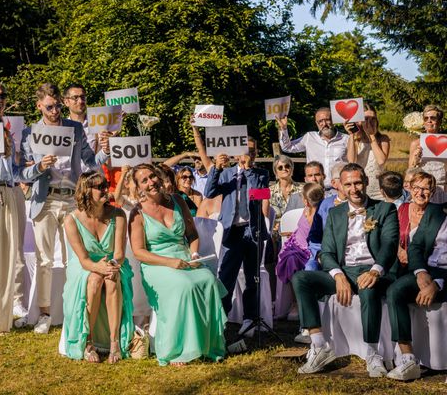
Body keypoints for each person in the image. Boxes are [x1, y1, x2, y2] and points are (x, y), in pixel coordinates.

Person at [291, 163, 399, 376]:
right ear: (340, 186)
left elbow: (389, 245)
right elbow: (328, 251)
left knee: (369, 289)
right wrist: (338, 275)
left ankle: (373, 353)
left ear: (366, 182)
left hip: (374, 269)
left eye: (358, 182)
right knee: (301, 278)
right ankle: (319, 345)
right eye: (348, 184)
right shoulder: (335, 213)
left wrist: (375, 271)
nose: (354, 189)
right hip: (345, 270)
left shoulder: (385, 209)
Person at [21, 82, 110, 334]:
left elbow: (90, 163)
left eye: (57, 106)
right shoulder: (30, 133)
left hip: (72, 198)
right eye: (49, 107)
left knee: (77, 256)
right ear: (39, 106)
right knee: (45, 259)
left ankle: (77, 307)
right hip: (45, 199)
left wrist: (103, 151)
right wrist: (39, 167)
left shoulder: (73, 128)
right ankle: (45, 313)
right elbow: (23, 172)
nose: (55, 111)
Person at [129, 164, 226, 366]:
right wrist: (170, 262)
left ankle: (208, 344)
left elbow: (191, 234)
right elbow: (139, 252)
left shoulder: (178, 201)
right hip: (156, 264)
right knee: (184, 286)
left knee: (208, 280)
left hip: (185, 258)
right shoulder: (137, 213)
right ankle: (178, 348)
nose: (151, 182)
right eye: (144, 180)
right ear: (138, 187)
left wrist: (194, 253)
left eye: (152, 177)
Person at [62, 171, 134, 363]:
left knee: (111, 279)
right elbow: (83, 260)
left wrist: (111, 265)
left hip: (113, 262)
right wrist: (97, 267)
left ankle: (114, 342)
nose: (105, 189)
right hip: (84, 265)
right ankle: (88, 341)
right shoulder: (71, 220)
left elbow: (119, 253)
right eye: (100, 186)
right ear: (86, 191)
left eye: (106, 185)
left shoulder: (118, 214)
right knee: (94, 279)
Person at [203, 136, 270, 337]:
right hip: (232, 232)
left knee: (253, 277)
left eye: (253, 151)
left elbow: (260, 197)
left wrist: (249, 172)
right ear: (238, 153)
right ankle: (220, 318)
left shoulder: (261, 174)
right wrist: (216, 168)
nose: (250, 154)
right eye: (247, 150)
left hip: (252, 230)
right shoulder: (227, 174)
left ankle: (250, 319)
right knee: (226, 276)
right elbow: (209, 192)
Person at [0, 81, 30, 328]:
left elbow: (20, 159)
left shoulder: (16, 126)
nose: (0, 101)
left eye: (3, 97)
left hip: (13, 189)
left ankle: (17, 299)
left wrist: (25, 173)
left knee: (17, 248)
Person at [385, 199, 447, 381]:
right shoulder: (436, 211)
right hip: (427, 270)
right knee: (396, 291)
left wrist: (438, 284)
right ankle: (408, 359)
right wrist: (420, 273)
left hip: (444, 277)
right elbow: (416, 245)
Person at [276, 182, 325, 319]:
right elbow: (301, 230)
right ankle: (295, 301)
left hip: (311, 250)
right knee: (289, 259)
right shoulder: (305, 210)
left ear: (305, 200)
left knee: (301, 263)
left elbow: (315, 237)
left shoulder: (319, 215)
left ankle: (305, 303)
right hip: (297, 245)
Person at [277, 107, 348, 189]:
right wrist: (283, 129)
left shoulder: (346, 139)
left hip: (339, 188)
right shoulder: (309, 137)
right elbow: (287, 147)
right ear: (316, 123)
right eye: (320, 121)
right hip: (315, 187)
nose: (324, 124)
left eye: (327, 120)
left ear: (334, 120)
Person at [345, 103, 390, 200]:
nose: (370, 121)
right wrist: (352, 134)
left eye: (373, 118)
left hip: (379, 189)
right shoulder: (354, 140)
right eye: (366, 118)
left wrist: (371, 135)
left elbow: (381, 161)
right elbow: (351, 161)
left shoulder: (383, 139)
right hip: (359, 188)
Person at [395, 172, 435, 276]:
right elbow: (393, 235)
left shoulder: (436, 213)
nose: (420, 193)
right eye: (416, 187)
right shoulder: (402, 208)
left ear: (432, 192)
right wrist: (400, 251)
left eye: (426, 189)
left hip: (426, 267)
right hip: (401, 264)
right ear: (411, 189)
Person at [408, 104, 447, 199]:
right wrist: (416, 160)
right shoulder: (416, 143)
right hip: (422, 189)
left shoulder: (445, 141)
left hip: (442, 188)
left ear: (439, 121)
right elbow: (410, 170)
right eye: (426, 118)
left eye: (433, 118)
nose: (429, 120)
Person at [269, 154, 304, 226]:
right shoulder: (269, 191)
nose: (284, 169)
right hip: (275, 232)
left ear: (292, 169)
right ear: (276, 172)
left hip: (297, 229)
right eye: (280, 167)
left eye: (287, 166)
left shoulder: (303, 190)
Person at [63, 83, 96, 153]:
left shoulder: (97, 124)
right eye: (75, 98)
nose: (80, 101)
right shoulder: (62, 129)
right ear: (66, 102)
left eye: (82, 97)